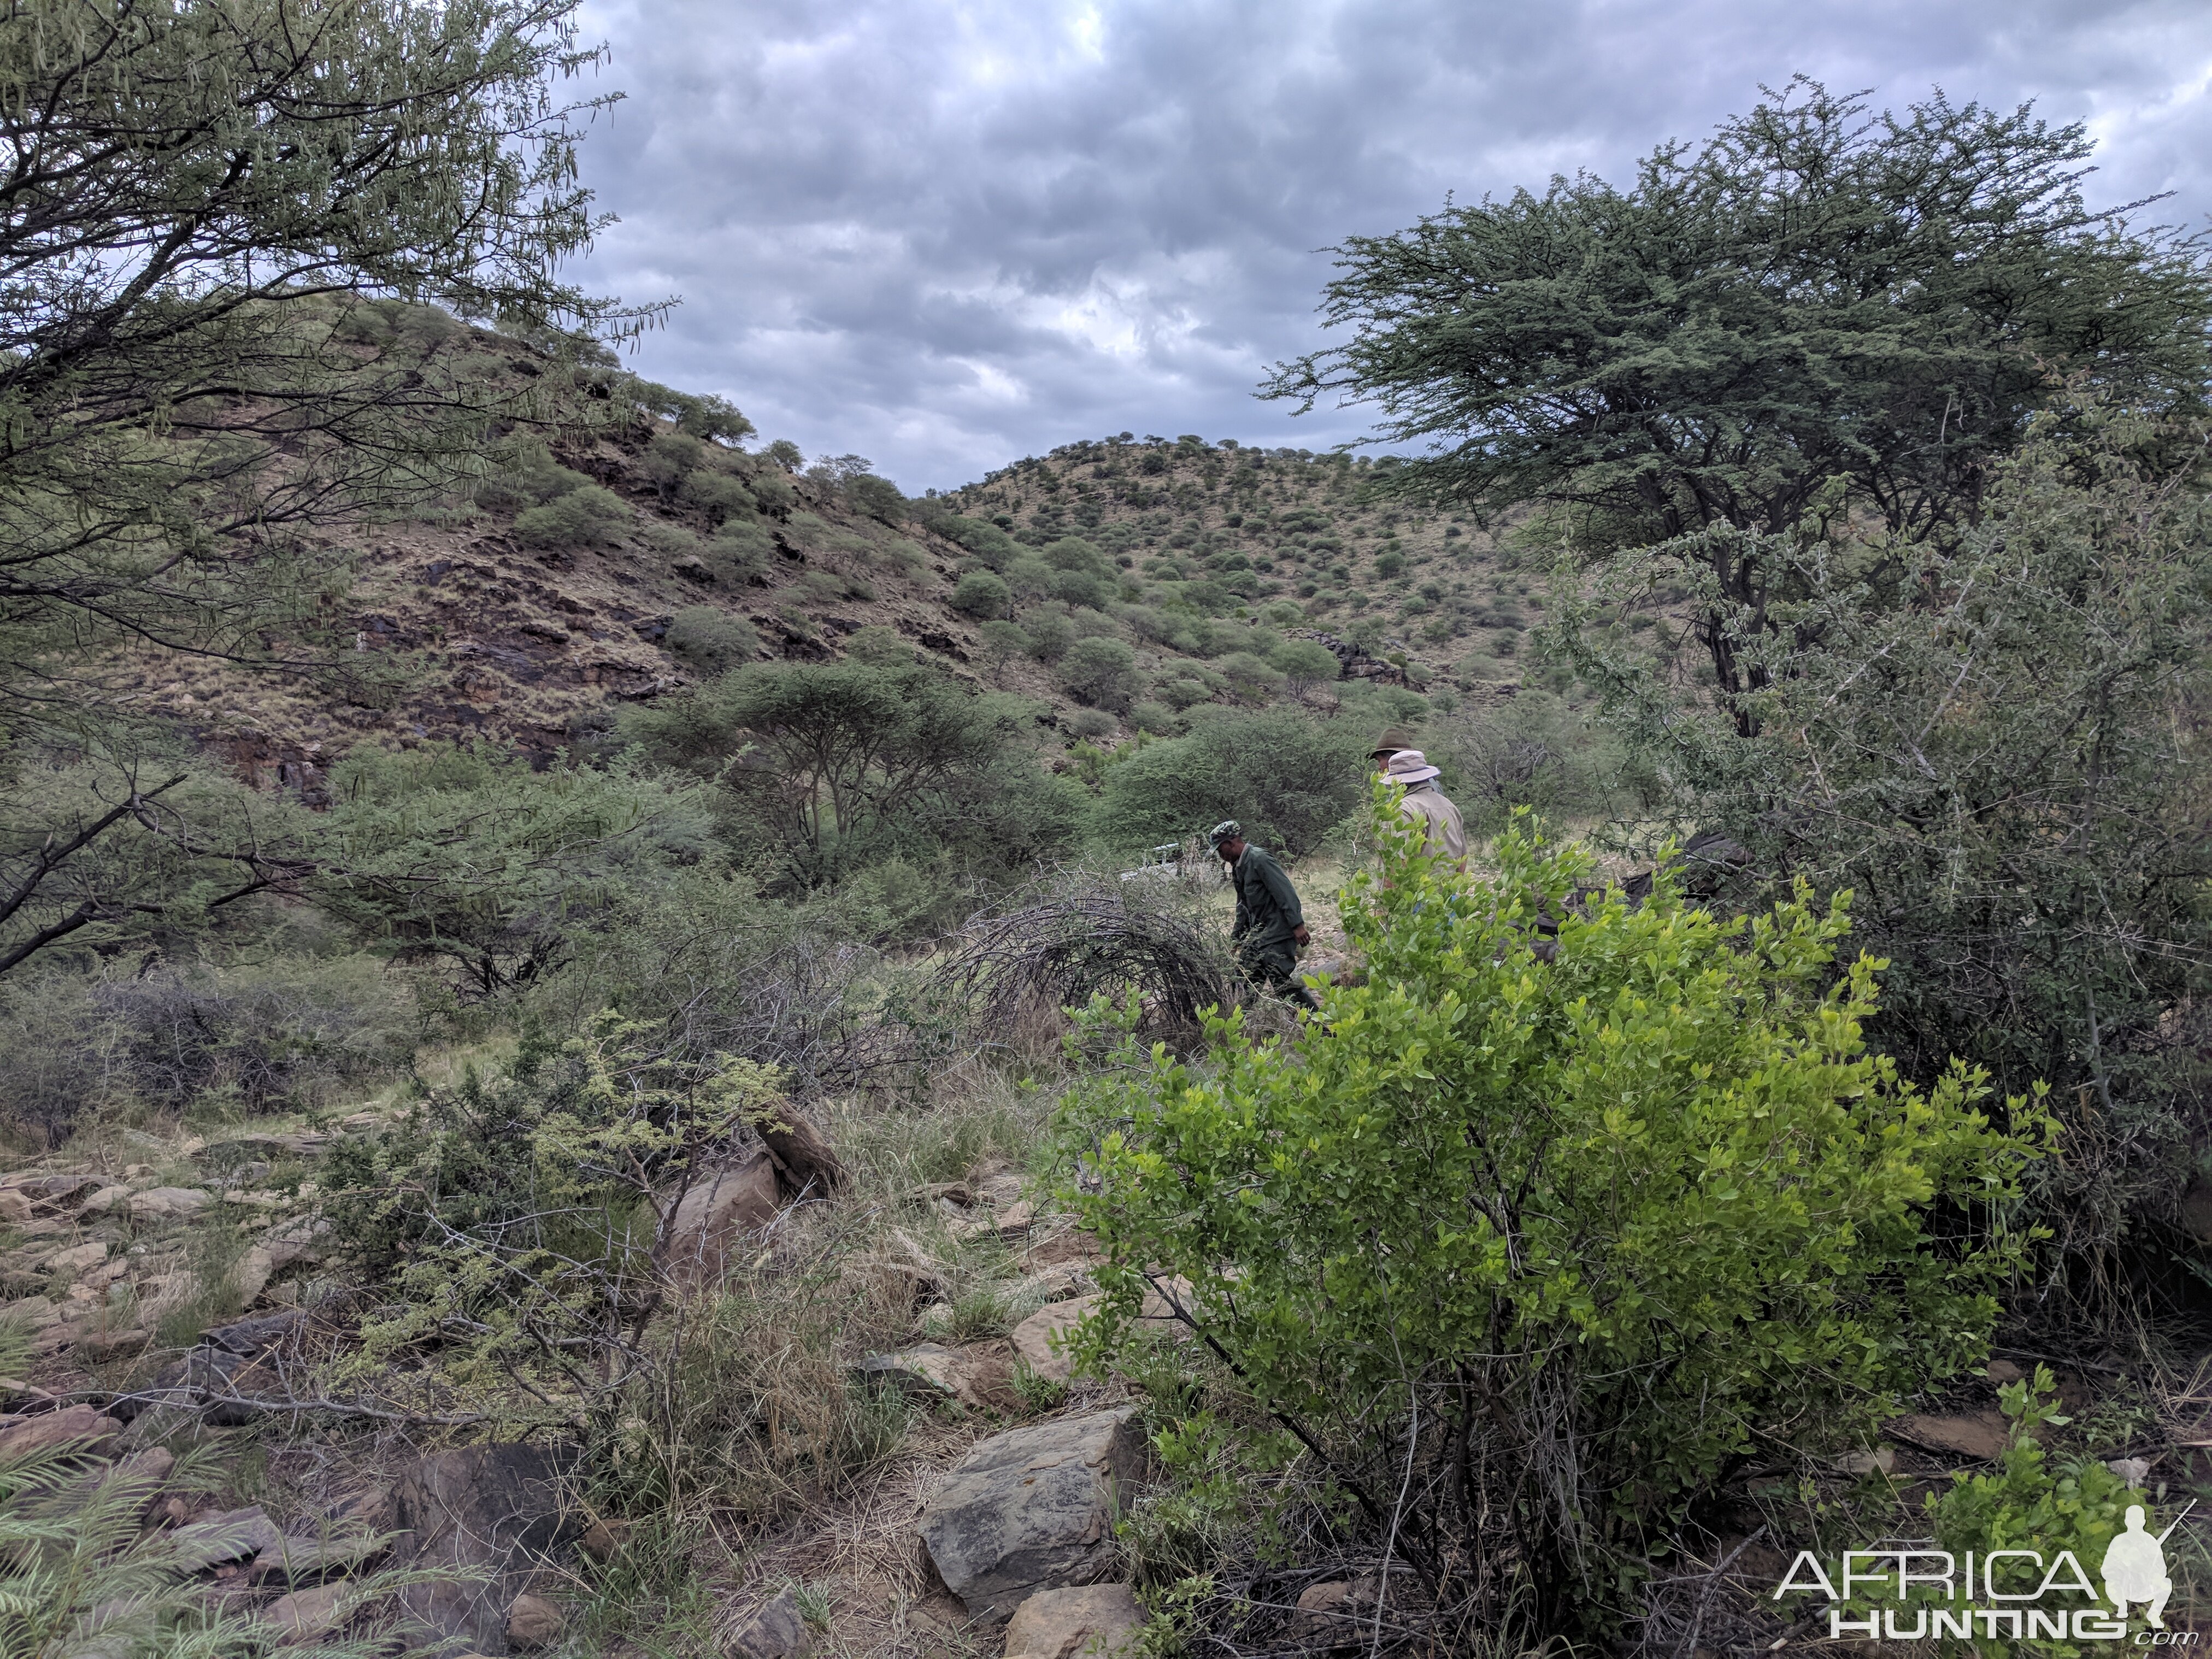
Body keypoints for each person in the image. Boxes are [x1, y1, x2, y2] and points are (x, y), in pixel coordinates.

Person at [1209, 820, 1316, 1010]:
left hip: (1279, 932)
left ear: (1232, 842)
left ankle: (1321, 1029)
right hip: (1261, 935)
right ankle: (1237, 1029)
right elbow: (1243, 907)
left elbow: (1286, 892)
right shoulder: (1238, 867)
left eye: (1220, 849)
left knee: (1283, 983)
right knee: (1242, 980)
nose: (1220, 855)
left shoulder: (1259, 859)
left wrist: (1297, 925)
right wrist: (1237, 940)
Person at [1378, 748, 1467, 871]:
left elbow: (1397, 865)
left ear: (1395, 781)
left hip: (1416, 889)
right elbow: (1462, 857)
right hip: (1448, 888)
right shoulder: (1449, 806)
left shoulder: (1401, 809)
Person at [2103, 1504, 2173, 1628]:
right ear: (2126, 1522)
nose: (2135, 1523)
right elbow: (2106, 1570)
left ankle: (2154, 1615)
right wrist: (2124, 1563)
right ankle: (2121, 1606)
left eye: (2138, 1520)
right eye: (2131, 1520)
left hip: (2143, 1588)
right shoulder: (2119, 1541)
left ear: (2143, 1521)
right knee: (2111, 1583)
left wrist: (2154, 1574)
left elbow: (2161, 1568)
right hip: (2123, 1589)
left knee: (2166, 1584)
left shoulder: (2150, 1542)